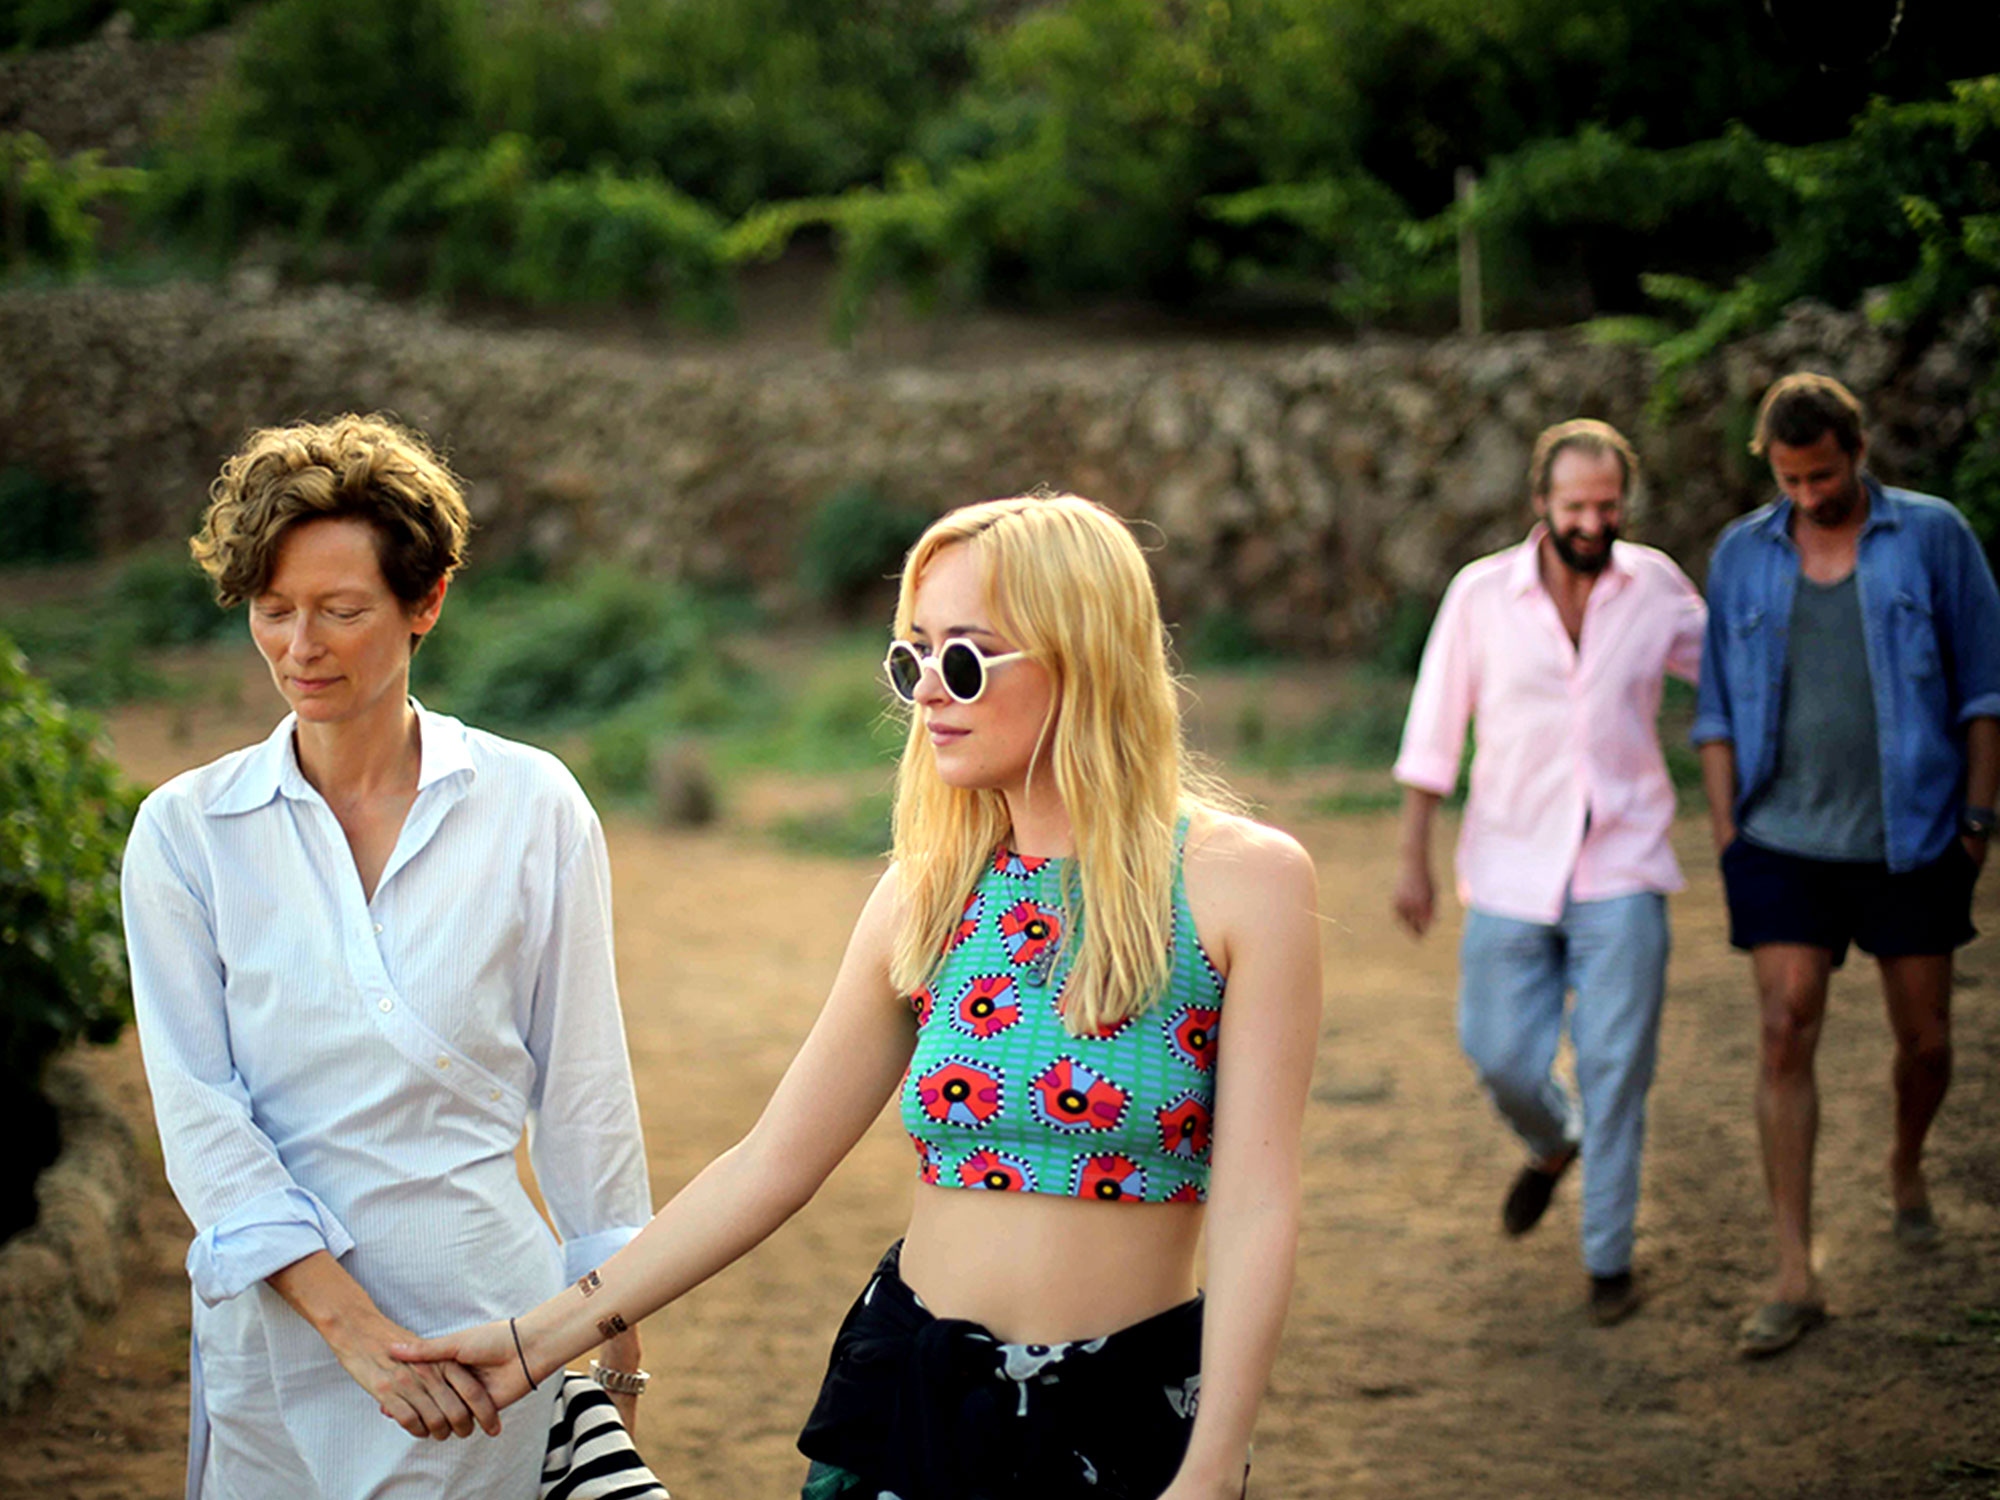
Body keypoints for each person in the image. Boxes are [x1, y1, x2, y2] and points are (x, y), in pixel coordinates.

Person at [394, 493, 1323, 1500]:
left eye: (963, 659)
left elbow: (1256, 1205)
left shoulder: (1242, 886)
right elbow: (768, 1165)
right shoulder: (926, 897)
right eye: (910, 658)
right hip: (907, 1405)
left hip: (1126, 1419)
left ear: (1085, 657)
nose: (927, 693)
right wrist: (535, 1342)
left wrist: (1212, 1465)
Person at [119, 415, 654, 1499]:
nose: (299, 647)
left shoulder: (532, 804)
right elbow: (200, 1116)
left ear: (427, 602)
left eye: (341, 609)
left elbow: (584, 1087)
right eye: (273, 610)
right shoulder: (186, 832)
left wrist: (611, 1327)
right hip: (273, 1346)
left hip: (484, 1342)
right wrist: (351, 1330)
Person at [1694, 373, 2000, 1358]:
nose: (1806, 495)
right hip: (1780, 841)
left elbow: (1983, 689)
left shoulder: (1933, 537)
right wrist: (1727, 835)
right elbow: (1713, 709)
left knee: (1927, 1043)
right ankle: (1794, 1272)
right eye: (1788, 479)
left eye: (1821, 476)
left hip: (1913, 837)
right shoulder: (1741, 554)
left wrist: (1976, 822)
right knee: (1783, 1027)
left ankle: (1904, 1161)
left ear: (1857, 452)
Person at [1391, 419, 1707, 1327]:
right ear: (1542, 503)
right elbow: (1433, 731)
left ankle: (1609, 1261)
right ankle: (1552, 1140)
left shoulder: (1655, 588)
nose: (1592, 522)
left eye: (1608, 506)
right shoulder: (1481, 595)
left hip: (1625, 861)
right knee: (1498, 1055)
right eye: (1576, 506)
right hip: (1507, 861)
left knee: (1617, 1068)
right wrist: (1413, 859)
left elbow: (1736, 668)